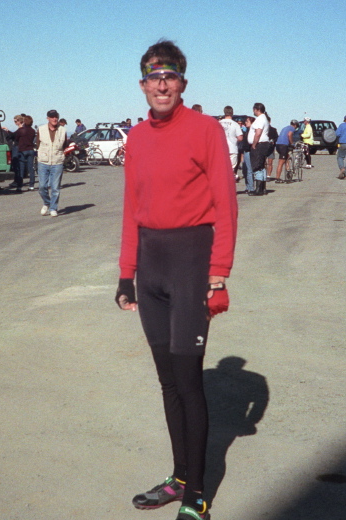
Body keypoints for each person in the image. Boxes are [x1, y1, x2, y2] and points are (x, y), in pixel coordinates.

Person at [117, 40, 237, 520]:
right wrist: (125, 274)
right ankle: (180, 476)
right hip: (151, 267)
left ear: (182, 83)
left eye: (169, 76)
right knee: (168, 382)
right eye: (154, 77)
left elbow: (226, 204)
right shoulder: (136, 137)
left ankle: (197, 496)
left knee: (189, 382)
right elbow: (131, 208)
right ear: (143, 85)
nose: (162, 85)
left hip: (191, 263)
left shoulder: (206, 130)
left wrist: (218, 273)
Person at [35, 110, 66, 216]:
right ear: (47, 118)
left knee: (55, 187)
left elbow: (64, 145)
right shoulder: (41, 129)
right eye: (52, 117)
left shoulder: (62, 130)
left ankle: (53, 208)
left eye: (56, 117)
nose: (54, 119)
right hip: (43, 162)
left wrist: (61, 156)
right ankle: (47, 203)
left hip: (57, 162)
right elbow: (38, 144)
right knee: (42, 187)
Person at [248, 103, 272, 196]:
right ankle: (262, 188)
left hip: (259, 144)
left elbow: (258, 133)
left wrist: (254, 144)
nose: (253, 111)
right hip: (263, 144)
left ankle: (258, 190)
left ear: (257, 109)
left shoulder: (260, 119)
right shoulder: (263, 118)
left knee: (257, 166)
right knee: (261, 166)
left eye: (254, 109)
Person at [13, 115, 37, 192]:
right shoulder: (33, 131)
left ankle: (19, 186)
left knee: (21, 168)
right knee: (31, 168)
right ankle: (31, 185)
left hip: (22, 150)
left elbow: (16, 139)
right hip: (30, 149)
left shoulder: (21, 130)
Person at [218, 106, 243, 176]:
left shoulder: (219, 123)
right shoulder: (235, 124)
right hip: (232, 148)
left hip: (221, 149)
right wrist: (234, 139)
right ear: (232, 113)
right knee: (231, 169)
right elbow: (240, 138)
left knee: (221, 168)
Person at [239, 116, 255, 193]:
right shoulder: (246, 131)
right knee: (245, 170)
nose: (245, 123)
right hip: (245, 151)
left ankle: (251, 188)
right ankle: (247, 186)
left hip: (249, 151)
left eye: (247, 121)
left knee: (249, 170)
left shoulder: (252, 131)